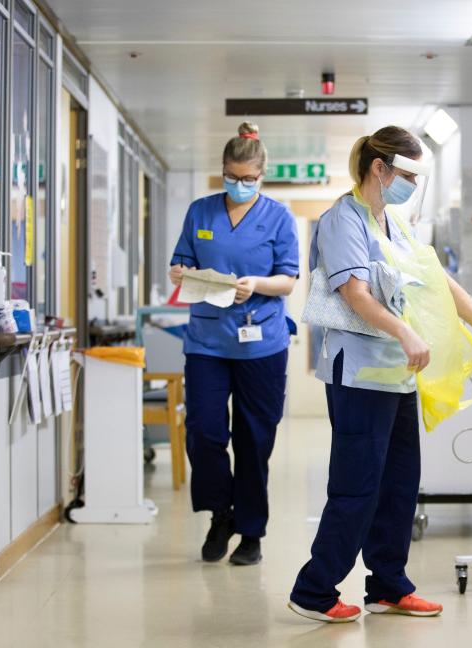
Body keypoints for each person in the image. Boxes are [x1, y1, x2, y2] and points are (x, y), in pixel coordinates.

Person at [289, 126, 472, 622]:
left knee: (401, 484)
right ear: (379, 168)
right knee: (356, 485)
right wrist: (406, 333)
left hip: (399, 377)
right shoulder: (343, 220)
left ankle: (388, 584)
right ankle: (314, 589)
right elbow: (355, 293)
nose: (410, 184)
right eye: (406, 174)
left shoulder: (393, 223)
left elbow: (437, 279)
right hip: (361, 374)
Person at [169, 122, 299, 566]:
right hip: (206, 339)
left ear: (262, 176)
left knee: (254, 440)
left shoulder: (278, 217)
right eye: (231, 176)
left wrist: (257, 284)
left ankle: (251, 532)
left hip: (261, 341)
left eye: (248, 179)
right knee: (204, 432)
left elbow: (288, 281)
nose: (239, 185)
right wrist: (179, 273)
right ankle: (220, 512)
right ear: (222, 170)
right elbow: (181, 263)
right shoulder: (200, 212)